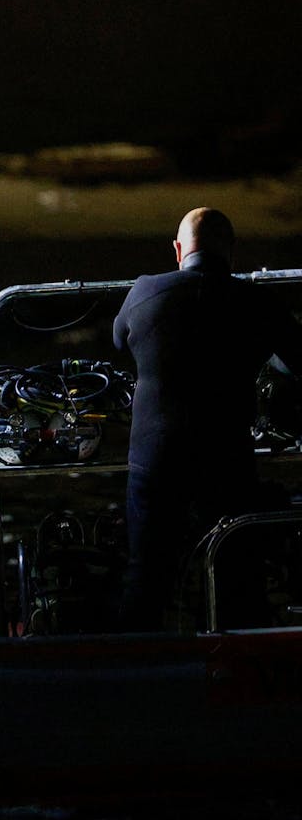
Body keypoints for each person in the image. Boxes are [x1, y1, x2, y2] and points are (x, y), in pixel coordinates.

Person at [112, 207, 302, 630]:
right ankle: (242, 669)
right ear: (231, 254)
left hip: (154, 457)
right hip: (225, 458)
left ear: (178, 249)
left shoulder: (144, 291)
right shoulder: (257, 301)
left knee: (145, 577)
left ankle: (130, 671)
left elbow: (118, 339)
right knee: (239, 577)